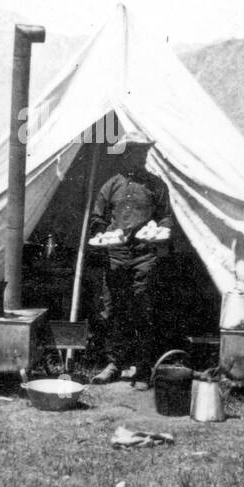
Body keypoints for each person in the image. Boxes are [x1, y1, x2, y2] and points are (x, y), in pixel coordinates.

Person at [88, 131, 174, 385]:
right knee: (113, 309)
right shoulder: (111, 185)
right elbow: (97, 218)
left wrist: (159, 231)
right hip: (116, 255)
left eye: (143, 152)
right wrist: (106, 235)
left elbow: (166, 217)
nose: (139, 157)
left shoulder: (157, 186)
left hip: (145, 255)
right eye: (134, 152)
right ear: (125, 153)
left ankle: (144, 367)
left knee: (142, 308)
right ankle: (114, 363)